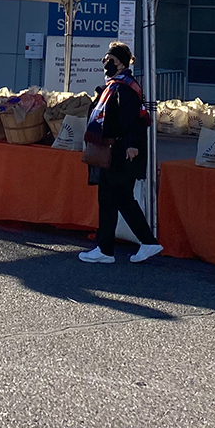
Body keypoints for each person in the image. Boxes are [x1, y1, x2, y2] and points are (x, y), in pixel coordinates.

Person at [78, 42, 163, 265]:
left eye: (111, 60)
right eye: (105, 59)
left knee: (109, 198)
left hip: (121, 152)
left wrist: (131, 145)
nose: (106, 63)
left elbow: (130, 119)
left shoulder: (124, 88)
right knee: (122, 199)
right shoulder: (116, 85)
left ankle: (105, 249)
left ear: (122, 63)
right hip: (119, 151)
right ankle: (147, 242)